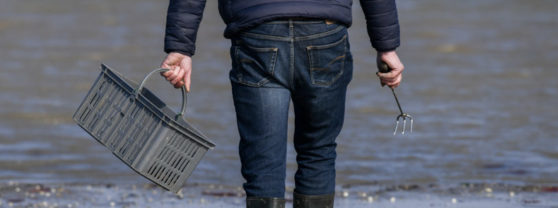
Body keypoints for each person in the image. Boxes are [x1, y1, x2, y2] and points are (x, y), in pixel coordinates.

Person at [159, 0, 404, 207]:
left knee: (263, 158)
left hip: (258, 31)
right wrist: (386, 46)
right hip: (324, 31)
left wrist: (180, 46)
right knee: (318, 152)